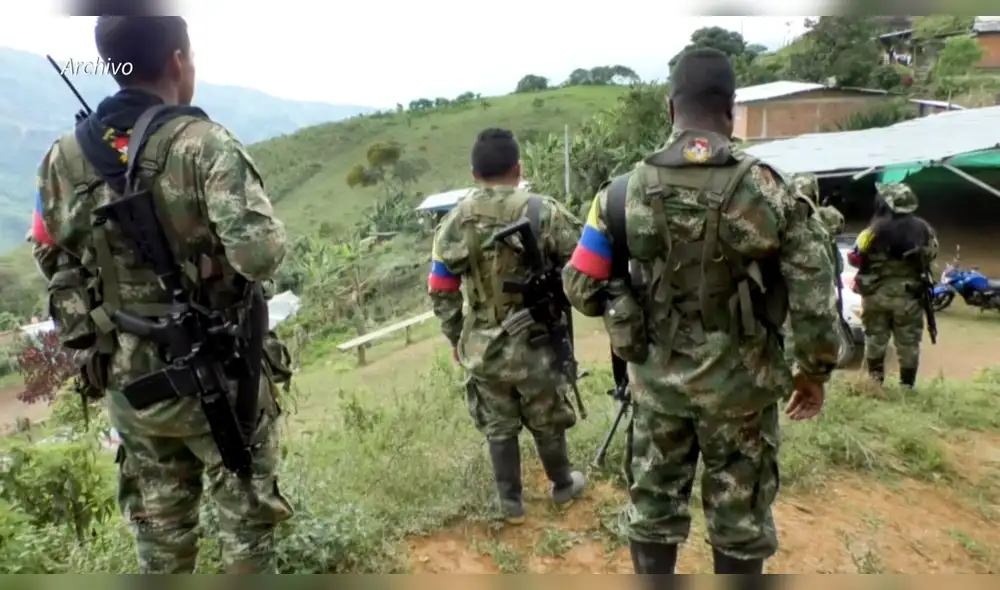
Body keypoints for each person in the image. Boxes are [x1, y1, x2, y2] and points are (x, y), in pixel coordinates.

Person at [561, 48, 841, 574]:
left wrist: (622, 300)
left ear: (671, 109)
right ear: (729, 111)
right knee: (740, 526)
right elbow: (814, 292)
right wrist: (814, 371)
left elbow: (579, 285)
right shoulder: (769, 190)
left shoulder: (620, 194)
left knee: (652, 516)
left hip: (657, 390)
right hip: (744, 394)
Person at [29, 16, 292, 573]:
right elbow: (259, 256)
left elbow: (49, 251)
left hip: (131, 384)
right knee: (246, 532)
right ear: (178, 60)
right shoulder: (204, 144)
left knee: (162, 544)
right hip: (219, 375)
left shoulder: (63, 157)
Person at [428, 128, 586, 525]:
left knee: (498, 424)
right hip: (537, 342)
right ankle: (563, 485)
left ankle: (510, 504)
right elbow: (584, 267)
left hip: (484, 346)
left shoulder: (453, 223)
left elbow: (441, 287)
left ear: (473, 172)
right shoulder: (543, 210)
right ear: (518, 169)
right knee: (547, 415)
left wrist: (455, 336)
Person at [847, 183, 937, 387]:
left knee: (875, 339)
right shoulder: (923, 230)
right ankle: (907, 387)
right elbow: (932, 255)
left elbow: (854, 258)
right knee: (909, 343)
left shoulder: (871, 232)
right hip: (909, 298)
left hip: (875, 296)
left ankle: (875, 384)